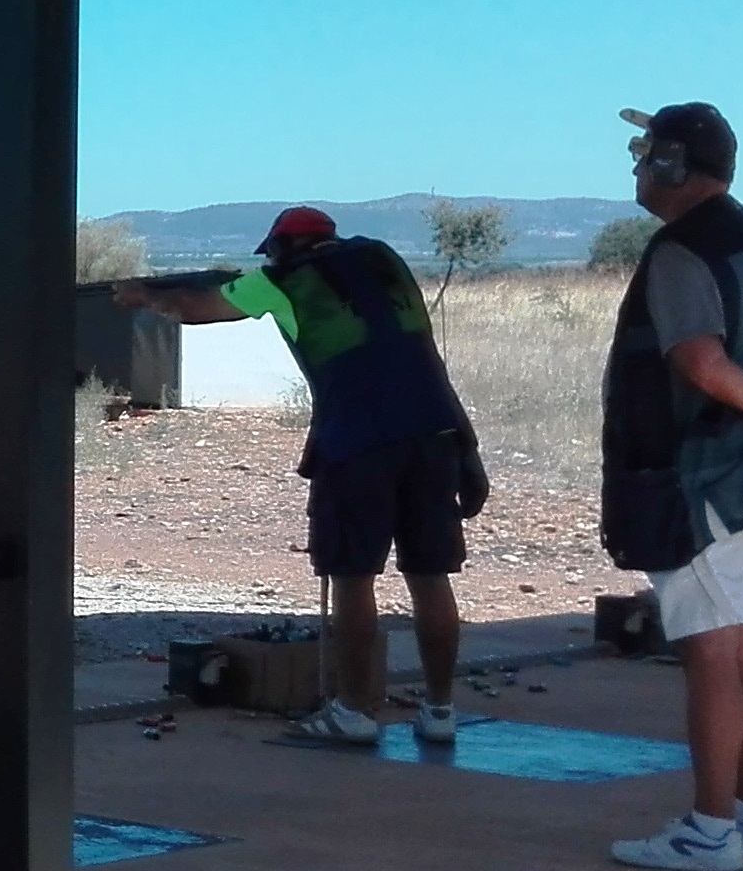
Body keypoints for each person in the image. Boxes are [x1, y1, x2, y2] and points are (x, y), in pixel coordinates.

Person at [116, 208, 486, 746]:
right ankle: (440, 711)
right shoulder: (384, 262)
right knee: (431, 577)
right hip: (436, 433)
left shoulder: (281, 279)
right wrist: (468, 449)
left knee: (352, 578)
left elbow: (196, 308)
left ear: (284, 247)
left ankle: (353, 712)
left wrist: (143, 294)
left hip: (357, 441)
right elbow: (427, 360)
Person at [599, 103, 743, 871]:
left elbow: (699, 360)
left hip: (704, 479)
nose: (638, 169)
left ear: (674, 166)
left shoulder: (681, 251)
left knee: (712, 653)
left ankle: (710, 829)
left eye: (647, 156)